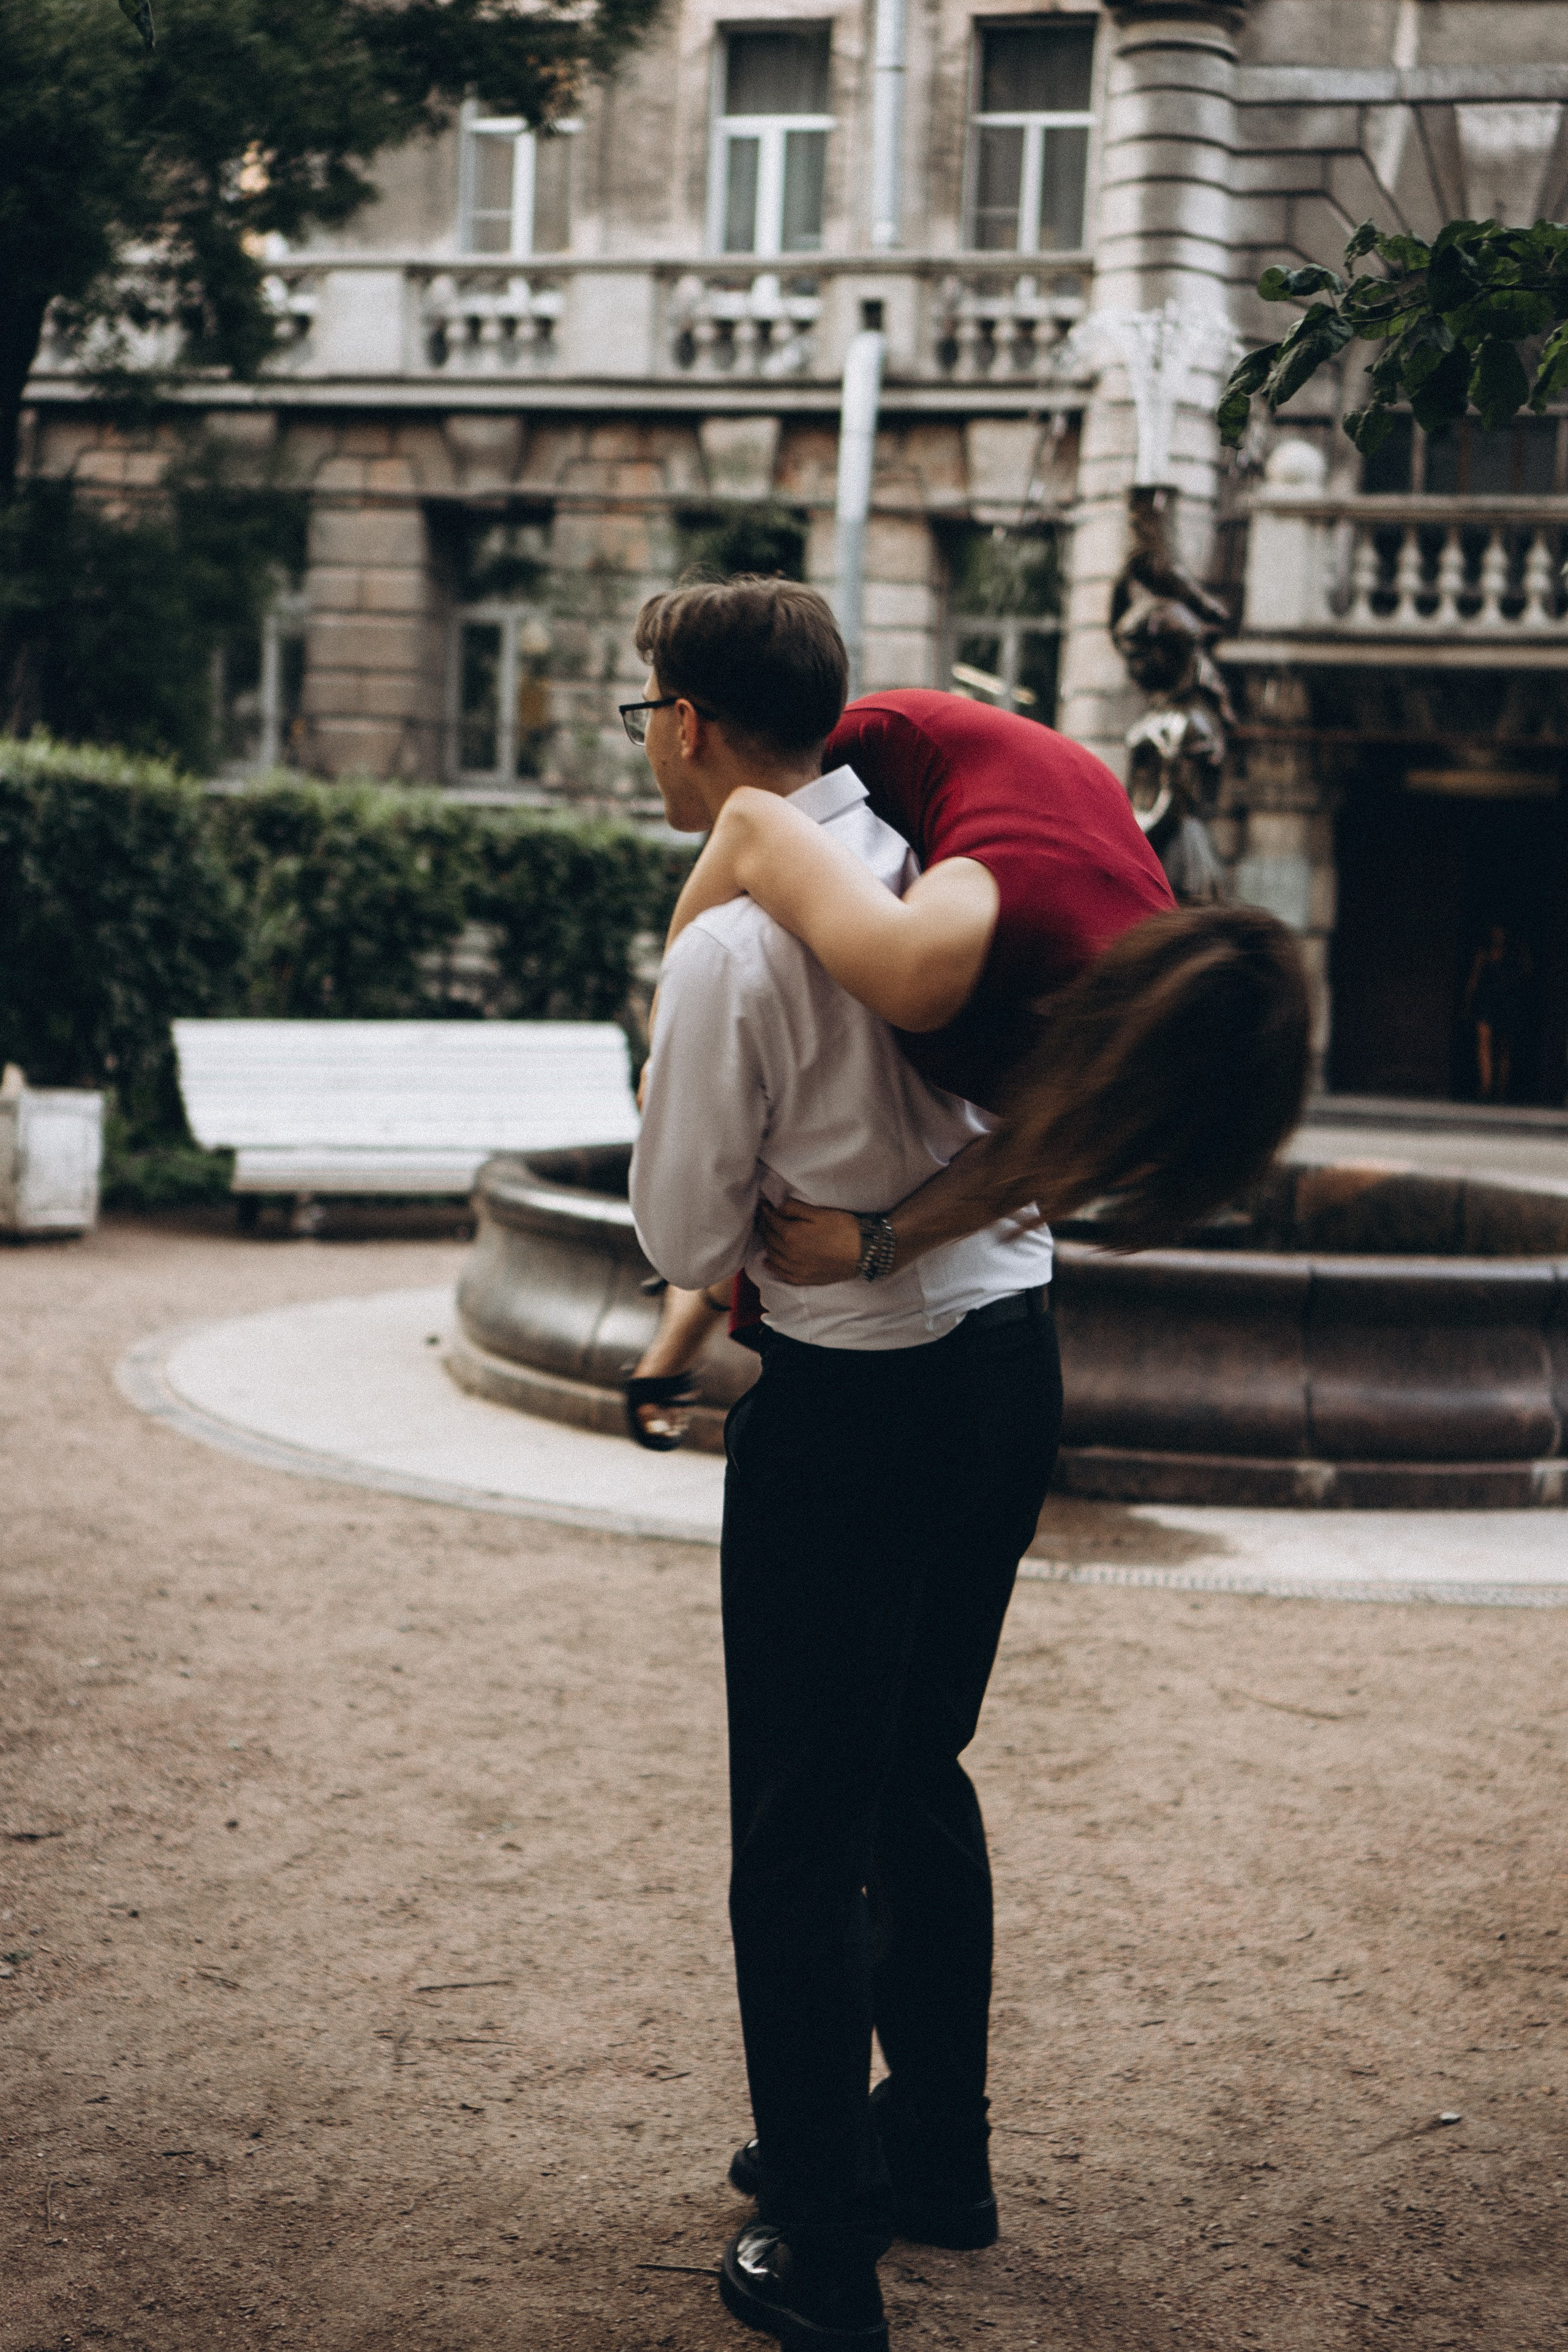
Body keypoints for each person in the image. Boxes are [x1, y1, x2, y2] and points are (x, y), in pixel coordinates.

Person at [627, 577, 1062, 2350]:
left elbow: (677, 1223)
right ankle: (935, 2159)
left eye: (646, 709)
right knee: (918, 1773)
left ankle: (826, 2248)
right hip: (1013, 1361)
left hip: (854, 1402)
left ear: (692, 726)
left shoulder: (736, 942)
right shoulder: (934, 851)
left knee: (799, 1836)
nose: (649, 738)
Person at [624, 674, 1311, 1438]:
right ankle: (678, 1337)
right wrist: (667, 1049)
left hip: (1044, 807)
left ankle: (678, 1335)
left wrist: (875, 1244)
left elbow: (1033, 1161)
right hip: (893, 750)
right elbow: (749, 826)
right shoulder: (956, 943)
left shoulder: (1137, 1042)